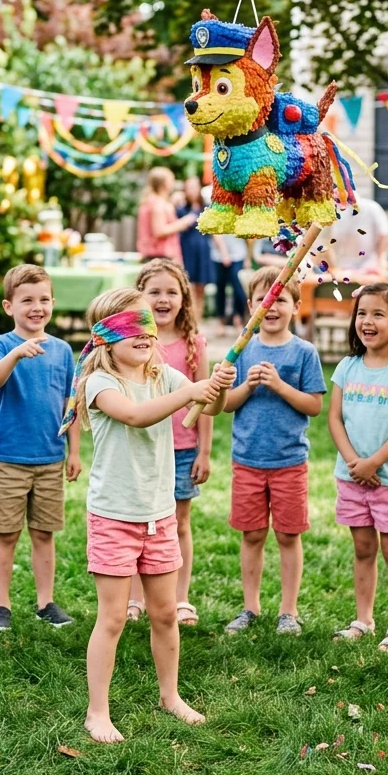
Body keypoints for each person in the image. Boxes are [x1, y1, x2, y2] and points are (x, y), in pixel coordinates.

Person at [60, 288, 235, 743]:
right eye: (128, 325)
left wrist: (217, 386)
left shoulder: (165, 375)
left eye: (145, 324)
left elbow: (210, 406)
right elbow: (136, 416)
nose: (142, 333)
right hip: (115, 517)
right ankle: (97, 711)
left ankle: (170, 695)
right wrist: (193, 391)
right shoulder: (100, 384)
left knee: (165, 613)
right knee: (114, 617)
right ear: (104, 337)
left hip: (158, 517)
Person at [222, 267, 326, 635]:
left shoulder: (303, 353)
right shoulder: (241, 349)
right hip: (247, 460)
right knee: (251, 535)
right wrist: (246, 387)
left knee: (287, 535)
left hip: (288, 461)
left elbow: (313, 405)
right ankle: (250, 607)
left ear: (296, 306)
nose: (272, 307)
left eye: (280, 299)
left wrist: (280, 386)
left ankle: (288, 611)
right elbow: (225, 404)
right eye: (265, 301)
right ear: (251, 306)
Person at [0, 265, 81, 632]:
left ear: (53, 303)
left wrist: (73, 451)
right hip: (9, 457)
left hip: (50, 458)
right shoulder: (3, 345)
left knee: (43, 533)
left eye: (43, 299)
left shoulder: (63, 350)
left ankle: (45, 602)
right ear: (9, 306)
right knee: (6, 534)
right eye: (27, 300)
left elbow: (72, 404)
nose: (36, 307)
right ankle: (1, 605)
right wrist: (17, 355)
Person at [328, 284, 388, 651]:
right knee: (363, 549)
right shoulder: (347, 366)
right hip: (352, 478)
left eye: (377, 314)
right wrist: (355, 462)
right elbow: (335, 419)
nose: (366, 321)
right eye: (362, 314)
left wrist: (374, 463)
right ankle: (363, 619)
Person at [128, 259, 212, 627]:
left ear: (184, 299)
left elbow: (206, 400)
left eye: (171, 292)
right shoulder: (133, 342)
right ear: (139, 297)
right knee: (134, 523)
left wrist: (205, 451)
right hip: (141, 448)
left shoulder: (194, 344)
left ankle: (179, 598)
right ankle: (134, 598)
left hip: (182, 449)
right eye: (154, 292)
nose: (163, 299)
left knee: (178, 523)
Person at [319, 198, 388, 277]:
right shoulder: (333, 211)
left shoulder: (372, 207)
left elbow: (384, 234)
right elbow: (324, 240)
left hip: (369, 270)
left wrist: (381, 260)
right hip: (342, 271)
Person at [136, 167, 196, 262]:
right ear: (165, 183)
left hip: (153, 254)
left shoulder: (150, 201)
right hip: (161, 255)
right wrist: (184, 222)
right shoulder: (157, 204)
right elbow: (159, 231)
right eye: (172, 180)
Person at [174, 175, 211, 320]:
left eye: (195, 187)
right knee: (187, 286)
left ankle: (198, 322)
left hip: (203, 250)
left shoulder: (206, 207)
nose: (192, 190)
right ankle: (188, 321)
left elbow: (213, 234)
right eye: (189, 187)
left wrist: (223, 252)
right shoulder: (180, 208)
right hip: (186, 250)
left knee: (201, 288)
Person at [211, 234, 248, 335]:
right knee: (220, 289)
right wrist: (224, 253)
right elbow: (215, 234)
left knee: (238, 290)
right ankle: (221, 322)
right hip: (219, 256)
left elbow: (247, 237)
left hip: (238, 255)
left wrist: (247, 258)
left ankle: (238, 321)